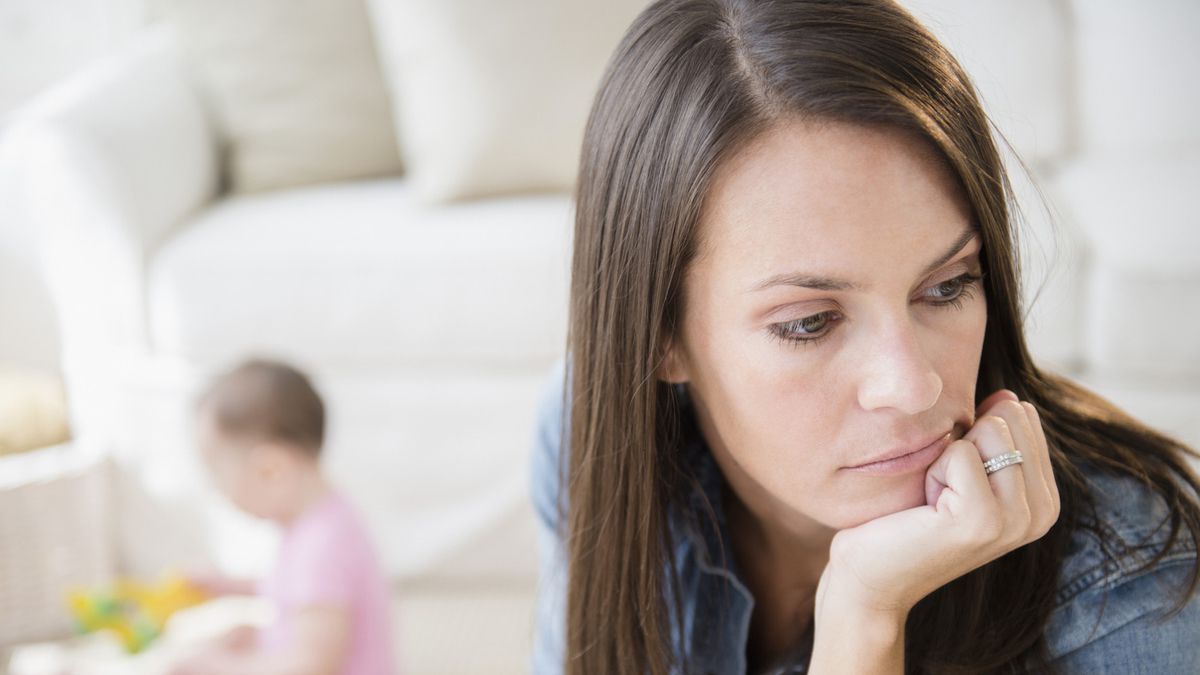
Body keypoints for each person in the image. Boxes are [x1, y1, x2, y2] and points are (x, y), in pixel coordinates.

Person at [529, 0, 1200, 673]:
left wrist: (866, 610)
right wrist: (863, 616)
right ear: (660, 336)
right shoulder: (594, 434)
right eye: (809, 322)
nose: (913, 386)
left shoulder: (1132, 598)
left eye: (948, 286)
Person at [172, 358, 395, 675]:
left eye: (216, 474)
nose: (216, 491)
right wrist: (232, 587)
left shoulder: (321, 548)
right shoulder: (324, 520)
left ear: (270, 471)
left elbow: (312, 666)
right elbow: (297, 591)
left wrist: (222, 668)